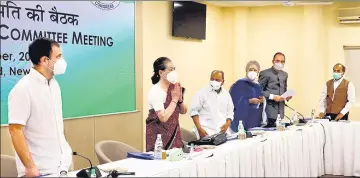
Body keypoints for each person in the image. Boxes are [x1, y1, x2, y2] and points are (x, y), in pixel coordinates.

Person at [8, 38, 72, 177]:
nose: (62, 61)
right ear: (44, 60)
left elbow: (57, 123)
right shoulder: (23, 89)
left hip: (62, 166)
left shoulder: (54, 84)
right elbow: (15, 130)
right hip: (41, 170)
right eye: (58, 57)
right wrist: (30, 168)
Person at [146, 57, 187, 152]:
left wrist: (180, 100)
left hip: (174, 134)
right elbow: (163, 118)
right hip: (158, 137)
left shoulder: (175, 87)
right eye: (171, 69)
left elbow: (183, 111)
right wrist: (175, 99)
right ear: (161, 73)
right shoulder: (156, 91)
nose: (174, 72)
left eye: (174, 69)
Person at [189, 70, 234, 138]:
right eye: (212, 79)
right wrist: (199, 129)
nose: (214, 82)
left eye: (217, 80)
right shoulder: (201, 93)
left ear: (223, 82)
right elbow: (193, 112)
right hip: (206, 131)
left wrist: (227, 124)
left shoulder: (226, 95)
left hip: (222, 132)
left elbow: (230, 111)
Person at [229, 61, 266, 131]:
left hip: (254, 121)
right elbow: (233, 102)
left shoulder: (257, 86)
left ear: (258, 72)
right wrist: (249, 101)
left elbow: (260, 103)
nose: (253, 71)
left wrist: (262, 101)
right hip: (241, 121)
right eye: (250, 69)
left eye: (255, 70)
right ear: (246, 71)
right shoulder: (239, 84)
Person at [259, 52, 292, 127]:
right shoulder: (265, 73)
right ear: (273, 61)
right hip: (268, 112)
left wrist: (287, 96)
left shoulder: (284, 74)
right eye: (277, 61)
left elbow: (284, 89)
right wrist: (272, 96)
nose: (280, 63)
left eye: (282, 61)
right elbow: (258, 91)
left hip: (281, 111)